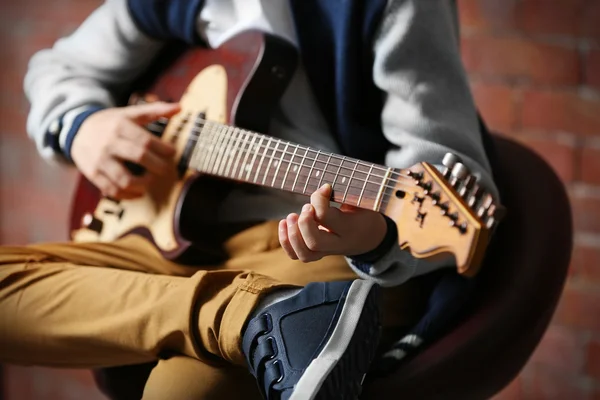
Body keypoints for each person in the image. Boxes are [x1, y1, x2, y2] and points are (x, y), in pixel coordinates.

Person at [0, 0, 500, 399]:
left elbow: (443, 166)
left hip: (312, 251)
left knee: (184, 393)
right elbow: (56, 66)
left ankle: (256, 313)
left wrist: (378, 233)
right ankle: (250, 314)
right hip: (162, 234)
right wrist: (81, 126)